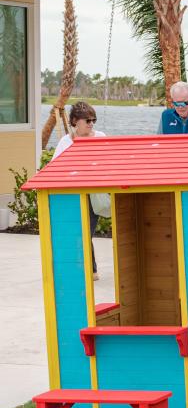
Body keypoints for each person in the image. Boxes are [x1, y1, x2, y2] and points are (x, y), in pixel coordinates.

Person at [53, 102, 107, 279]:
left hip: (94, 193)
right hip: (72, 194)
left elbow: (109, 163)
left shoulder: (100, 137)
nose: (92, 123)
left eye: (94, 120)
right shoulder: (66, 141)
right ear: (75, 121)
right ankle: (89, 270)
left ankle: (91, 270)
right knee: (76, 231)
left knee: (86, 231)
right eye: (88, 120)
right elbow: (55, 167)